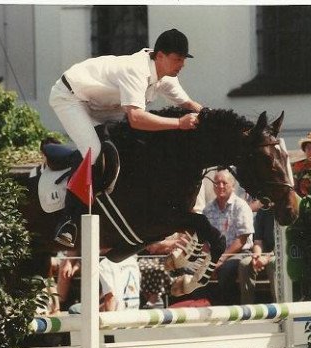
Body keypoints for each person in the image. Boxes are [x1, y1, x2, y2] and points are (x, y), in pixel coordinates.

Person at [49, 28, 202, 248]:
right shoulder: (136, 70)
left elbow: (190, 105)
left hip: (100, 105)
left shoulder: (165, 76)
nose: (182, 64)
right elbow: (137, 119)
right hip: (70, 98)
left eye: (184, 59)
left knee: (134, 144)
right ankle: (68, 221)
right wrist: (179, 123)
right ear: (160, 56)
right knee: (95, 153)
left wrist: (220, 120)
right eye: (178, 59)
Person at [202, 169, 254, 305]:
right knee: (192, 269)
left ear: (232, 185)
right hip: (215, 256)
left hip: (239, 254)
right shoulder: (207, 210)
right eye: (217, 183)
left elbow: (242, 239)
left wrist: (221, 258)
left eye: (224, 183)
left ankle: (228, 309)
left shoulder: (241, 206)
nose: (220, 186)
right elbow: (204, 240)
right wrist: (209, 260)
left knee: (225, 270)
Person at [69, 254, 141, 312]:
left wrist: (110, 325)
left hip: (117, 314)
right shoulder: (132, 260)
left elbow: (110, 297)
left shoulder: (105, 264)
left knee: (74, 309)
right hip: (133, 310)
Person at [237, 207, 276, 305]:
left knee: (273, 263)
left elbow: (282, 244)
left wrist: (266, 258)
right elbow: (258, 241)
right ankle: (247, 308)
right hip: (264, 253)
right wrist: (256, 256)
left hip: (279, 254)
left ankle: (279, 304)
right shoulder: (263, 211)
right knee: (244, 264)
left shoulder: (285, 210)